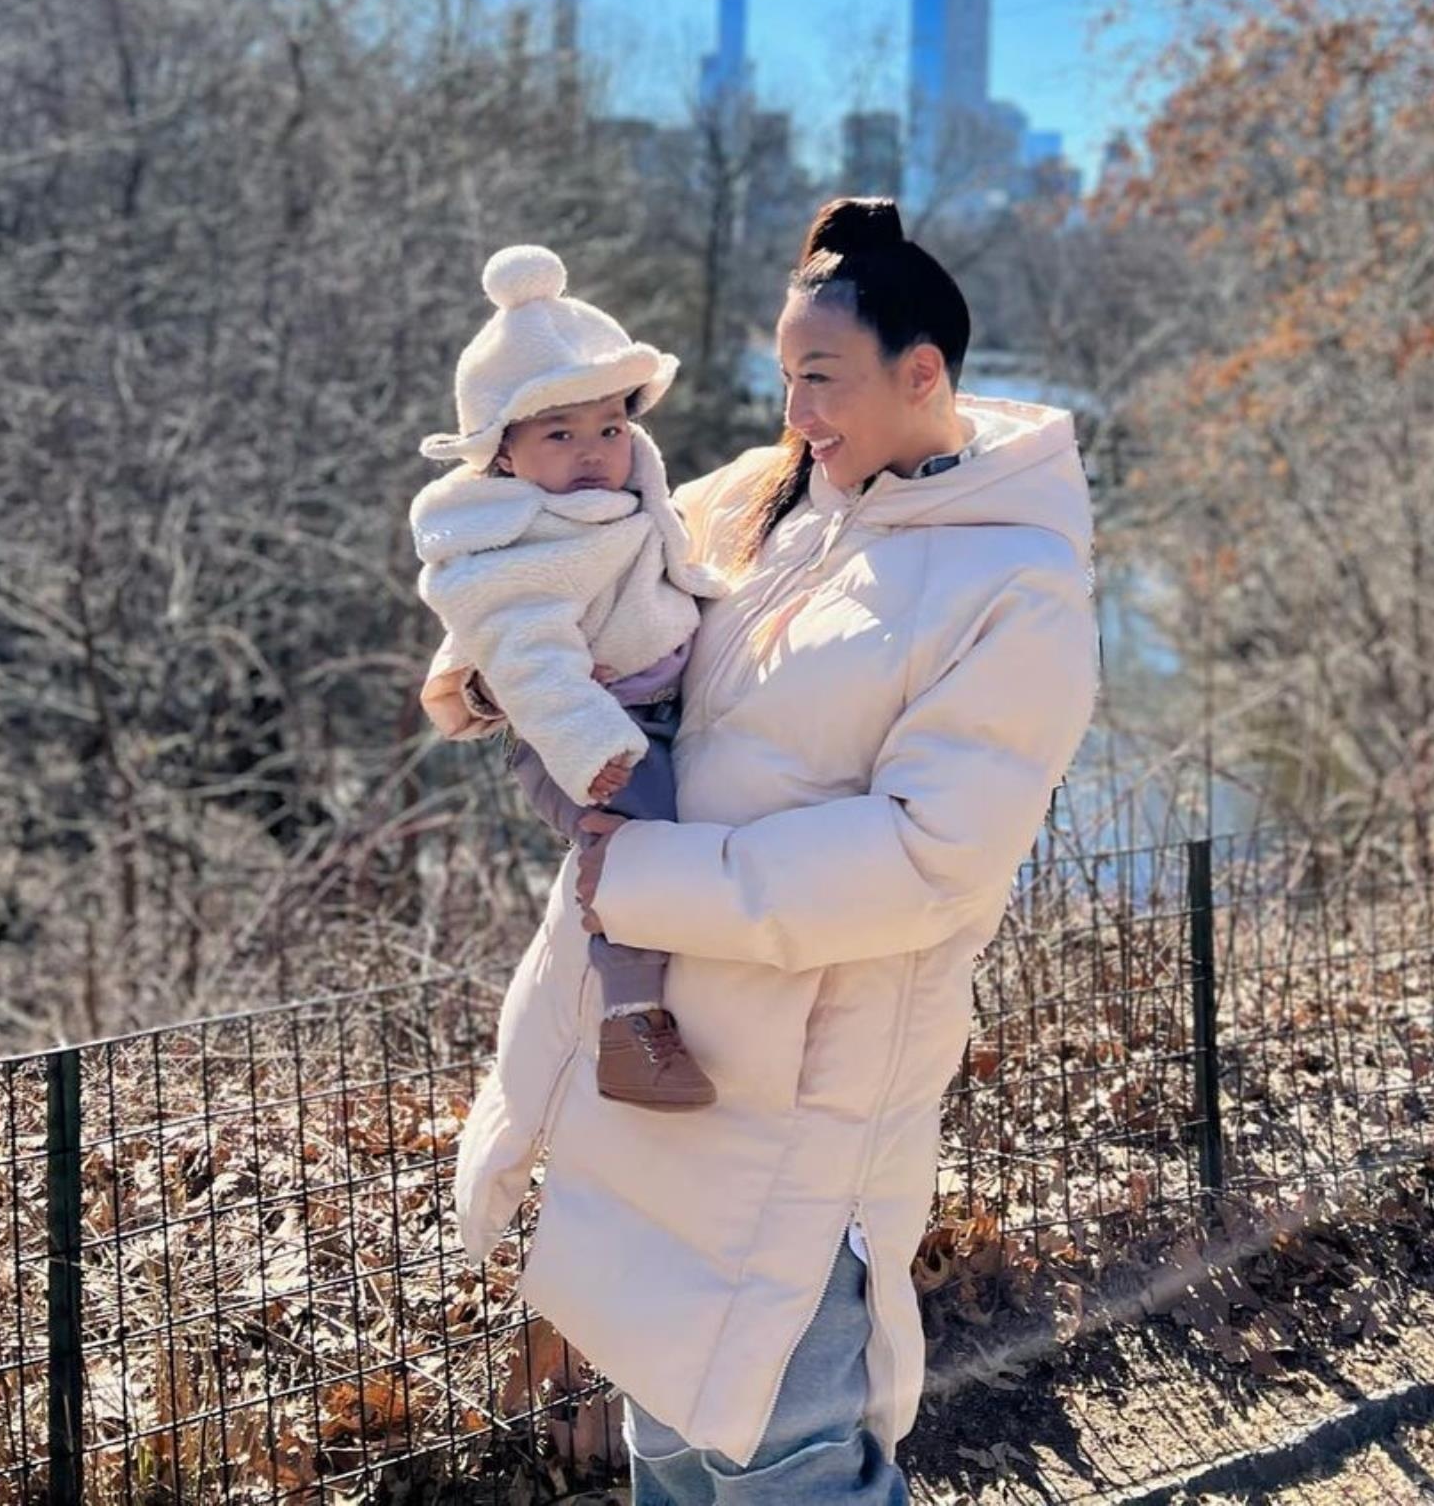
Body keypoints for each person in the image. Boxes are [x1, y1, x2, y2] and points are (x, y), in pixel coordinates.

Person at [421, 197, 1099, 1504]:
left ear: (922, 372)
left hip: (793, 1118)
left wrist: (646, 880)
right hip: (657, 1082)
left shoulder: (1017, 587)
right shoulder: (774, 502)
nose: (796, 411)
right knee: (671, 1453)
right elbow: (570, 586)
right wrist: (502, 676)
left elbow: (929, 859)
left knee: (786, 1473)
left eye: (822, 378)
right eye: (785, 376)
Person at [410, 242, 721, 1111]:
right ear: (504, 454)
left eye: (609, 429)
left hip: (646, 707)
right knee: (635, 837)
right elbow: (527, 656)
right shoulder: (515, 541)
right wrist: (589, 745)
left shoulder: (629, 498)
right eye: (560, 434)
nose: (593, 451)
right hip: (579, 736)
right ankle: (632, 1021)